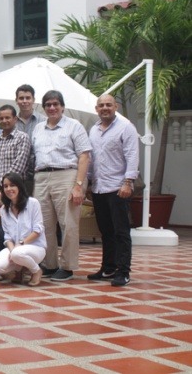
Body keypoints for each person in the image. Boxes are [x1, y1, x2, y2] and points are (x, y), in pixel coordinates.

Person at [32, 90, 91, 281]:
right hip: (41, 177)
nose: (52, 108)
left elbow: (84, 156)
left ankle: (67, 266)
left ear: (62, 106)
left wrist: (78, 186)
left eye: (55, 104)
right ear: (44, 107)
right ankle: (50, 264)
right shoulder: (38, 128)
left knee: (68, 224)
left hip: (66, 175)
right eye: (48, 104)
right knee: (44, 224)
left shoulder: (74, 126)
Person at [87, 94, 139, 287]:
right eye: (101, 105)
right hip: (99, 188)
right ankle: (108, 268)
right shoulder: (93, 130)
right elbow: (91, 160)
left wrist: (128, 182)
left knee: (121, 232)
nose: (105, 108)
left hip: (118, 188)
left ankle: (123, 271)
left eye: (109, 104)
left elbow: (132, 156)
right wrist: (89, 183)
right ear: (96, 109)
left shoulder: (126, 128)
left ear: (116, 106)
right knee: (105, 231)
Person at [0, 172, 46, 286]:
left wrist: (20, 244)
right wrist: (12, 251)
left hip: (36, 247)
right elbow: (7, 237)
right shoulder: (4, 210)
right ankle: (19, 270)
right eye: (5, 186)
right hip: (16, 248)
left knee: (17, 253)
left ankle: (36, 271)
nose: (9, 189)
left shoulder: (32, 203)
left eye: (12, 185)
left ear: (19, 186)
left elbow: (38, 230)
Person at [0, 105, 31, 187]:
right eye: (1, 118)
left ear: (15, 119)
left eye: (7, 118)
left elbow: (18, 166)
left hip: (16, 186)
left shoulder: (22, 138)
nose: (4, 121)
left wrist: (1, 183)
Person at [15, 84, 46, 194]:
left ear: (33, 100)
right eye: (21, 98)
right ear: (16, 100)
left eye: (28, 98)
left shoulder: (44, 121)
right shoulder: (11, 122)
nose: (24, 101)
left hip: (38, 171)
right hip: (16, 172)